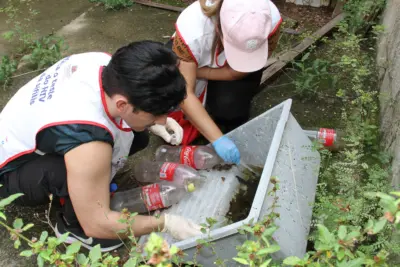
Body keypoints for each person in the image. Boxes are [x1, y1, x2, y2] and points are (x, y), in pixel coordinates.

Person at [0, 41, 203, 252]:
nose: (162, 120)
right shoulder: (87, 139)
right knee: (66, 173)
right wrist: (166, 223)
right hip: (11, 173)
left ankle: (86, 186)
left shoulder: (107, 64)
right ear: (123, 105)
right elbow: (97, 223)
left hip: (27, 133)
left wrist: (153, 120)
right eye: (157, 114)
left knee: (138, 136)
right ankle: (72, 227)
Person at [155, 0, 282, 163]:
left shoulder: (269, 21)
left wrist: (199, 72)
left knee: (230, 110)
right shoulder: (193, 29)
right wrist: (218, 139)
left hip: (216, 69)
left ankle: (217, 111)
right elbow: (185, 93)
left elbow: (237, 72)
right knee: (165, 93)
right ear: (218, 28)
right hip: (192, 58)